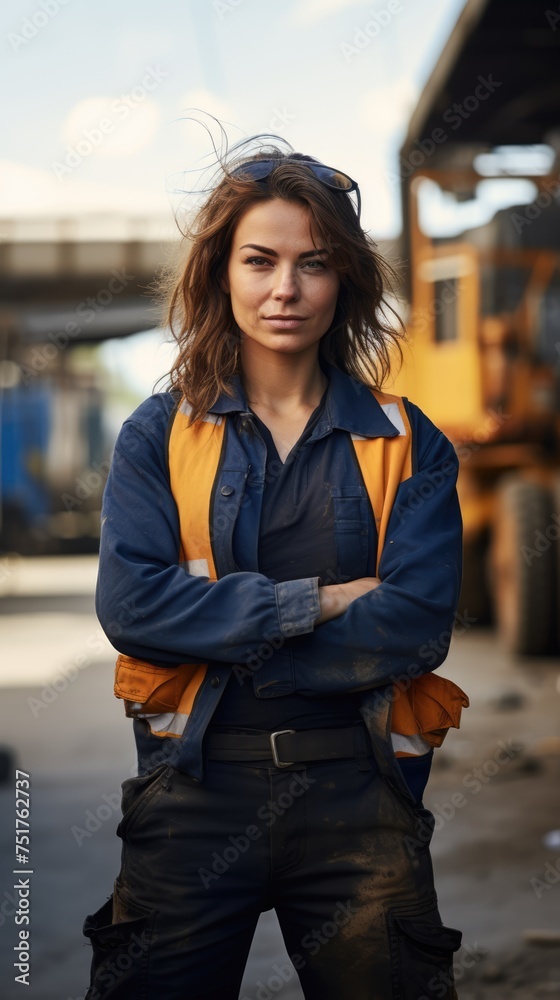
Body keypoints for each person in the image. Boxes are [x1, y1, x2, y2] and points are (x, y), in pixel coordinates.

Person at [82, 139, 467, 1000]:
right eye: (260, 261)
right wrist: (319, 602)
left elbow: (415, 625)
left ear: (346, 281)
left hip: (360, 795)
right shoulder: (159, 436)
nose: (285, 289)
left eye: (313, 263)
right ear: (224, 272)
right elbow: (132, 606)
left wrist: (216, 628)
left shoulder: (409, 443)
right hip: (192, 792)